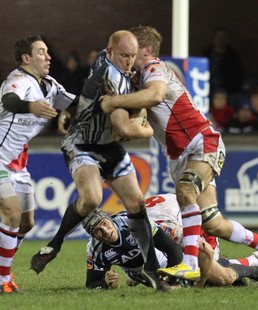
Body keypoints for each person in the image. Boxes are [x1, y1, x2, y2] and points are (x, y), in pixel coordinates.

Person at [100, 25, 258, 284]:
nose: (128, 55)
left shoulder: (154, 68)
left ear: (146, 50)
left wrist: (114, 102)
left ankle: (190, 263)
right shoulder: (135, 82)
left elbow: (156, 95)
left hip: (202, 142)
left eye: (133, 50)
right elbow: (140, 126)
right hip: (179, 156)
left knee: (185, 191)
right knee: (213, 224)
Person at [29, 30, 168, 292]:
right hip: (82, 143)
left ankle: (152, 272)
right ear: (110, 51)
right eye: (124, 55)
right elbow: (124, 128)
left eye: (131, 56)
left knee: (137, 203)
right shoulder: (111, 76)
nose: (128, 61)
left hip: (107, 146)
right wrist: (149, 129)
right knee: (92, 199)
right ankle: (55, 244)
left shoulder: (117, 69)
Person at [0, 34, 78, 294]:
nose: (48, 56)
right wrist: (31, 107)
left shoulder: (50, 86)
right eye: (41, 52)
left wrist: (108, 104)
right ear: (26, 58)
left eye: (48, 52)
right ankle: (4, 281)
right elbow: (10, 101)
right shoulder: (17, 81)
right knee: (12, 213)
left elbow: (76, 104)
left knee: (27, 223)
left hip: (17, 164)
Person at [83, 195, 258, 290]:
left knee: (217, 277)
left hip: (178, 218)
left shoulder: (160, 228)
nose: (105, 232)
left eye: (105, 225)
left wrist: (184, 282)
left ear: (109, 218)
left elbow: (173, 248)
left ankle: (253, 263)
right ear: (93, 235)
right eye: (98, 231)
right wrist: (107, 284)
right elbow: (93, 281)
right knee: (182, 276)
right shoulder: (96, 247)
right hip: (158, 214)